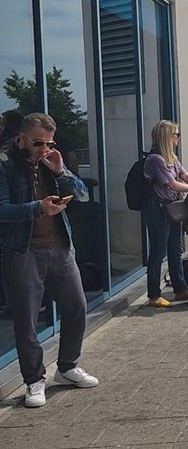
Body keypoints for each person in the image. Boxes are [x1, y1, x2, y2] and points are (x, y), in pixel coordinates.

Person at [0, 113, 99, 408]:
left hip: (60, 246)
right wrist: (38, 208)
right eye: (38, 143)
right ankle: (34, 380)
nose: (44, 148)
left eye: (49, 143)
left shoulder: (52, 161)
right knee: (26, 320)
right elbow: (2, 209)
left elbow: (80, 194)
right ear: (22, 138)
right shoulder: (5, 164)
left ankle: (67, 367)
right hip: (23, 251)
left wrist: (60, 172)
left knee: (77, 307)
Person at [143, 121, 188, 307]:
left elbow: (185, 175)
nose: (178, 138)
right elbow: (173, 185)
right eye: (176, 135)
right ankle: (154, 295)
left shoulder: (171, 158)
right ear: (167, 137)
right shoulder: (155, 160)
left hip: (171, 207)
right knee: (159, 250)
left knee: (176, 248)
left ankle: (180, 287)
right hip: (157, 208)